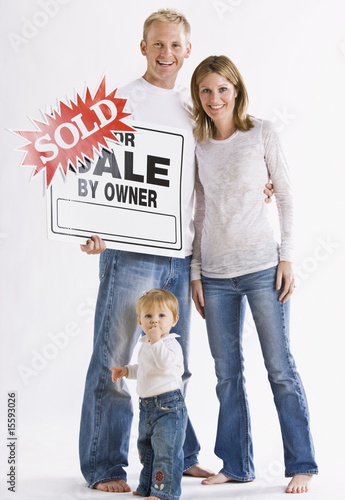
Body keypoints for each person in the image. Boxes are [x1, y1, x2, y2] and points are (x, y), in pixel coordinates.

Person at [78, 10, 273, 493]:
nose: (167, 54)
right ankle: (104, 466)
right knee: (116, 357)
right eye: (158, 45)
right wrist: (91, 226)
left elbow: (216, 170)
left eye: (175, 46)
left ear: (188, 50)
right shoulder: (119, 101)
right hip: (130, 254)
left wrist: (258, 185)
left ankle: (178, 454)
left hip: (181, 255)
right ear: (143, 48)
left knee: (172, 360)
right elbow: (89, 170)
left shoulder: (194, 109)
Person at [190, 55, 318, 494]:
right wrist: (195, 273)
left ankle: (301, 463)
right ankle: (236, 463)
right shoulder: (198, 144)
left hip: (264, 268)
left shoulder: (261, 133)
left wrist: (287, 257)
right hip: (215, 275)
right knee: (226, 373)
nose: (214, 98)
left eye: (222, 89)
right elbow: (199, 210)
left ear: (237, 90)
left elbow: (285, 196)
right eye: (206, 91)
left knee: (280, 368)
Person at [110, 289, 187, 500]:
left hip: (169, 407)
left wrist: (156, 341)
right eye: (148, 316)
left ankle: (164, 492)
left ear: (174, 320)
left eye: (162, 316)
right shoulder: (146, 344)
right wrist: (126, 371)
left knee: (165, 450)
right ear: (140, 321)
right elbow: (145, 369)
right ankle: (147, 486)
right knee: (146, 449)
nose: (155, 322)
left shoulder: (171, 344)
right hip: (147, 407)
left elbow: (163, 364)